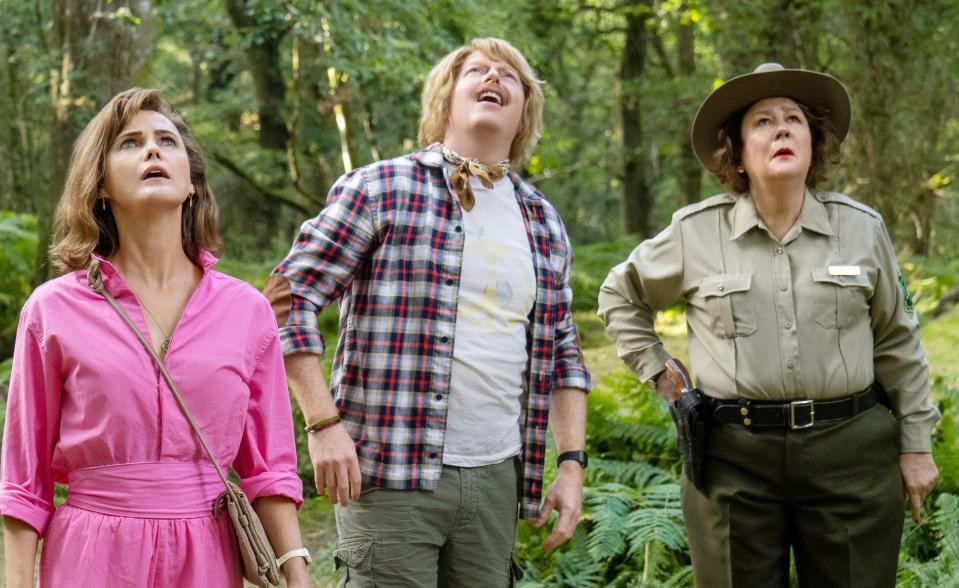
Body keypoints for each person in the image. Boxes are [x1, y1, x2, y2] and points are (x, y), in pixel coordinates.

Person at [598, 63, 940, 587]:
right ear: (736, 151)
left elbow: (898, 341)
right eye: (762, 121)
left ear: (814, 141)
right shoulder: (695, 233)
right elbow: (619, 294)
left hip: (850, 456)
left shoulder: (861, 229)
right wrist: (660, 371)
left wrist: (916, 444)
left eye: (794, 119)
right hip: (734, 463)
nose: (781, 128)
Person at [264, 37, 590, 586]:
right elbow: (284, 300)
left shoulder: (542, 221)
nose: (494, 78)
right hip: (390, 472)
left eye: (510, 75)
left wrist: (571, 464)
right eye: (478, 70)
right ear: (445, 102)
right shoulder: (381, 188)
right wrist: (322, 426)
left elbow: (563, 352)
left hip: (497, 478)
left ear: (524, 113)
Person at [0, 88, 309, 587]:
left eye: (167, 141)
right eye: (129, 143)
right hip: (92, 558)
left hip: (208, 555)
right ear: (100, 185)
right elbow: (23, 484)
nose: (152, 151)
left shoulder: (247, 312)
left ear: (190, 182)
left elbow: (269, 471)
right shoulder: (52, 310)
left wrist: (298, 578)